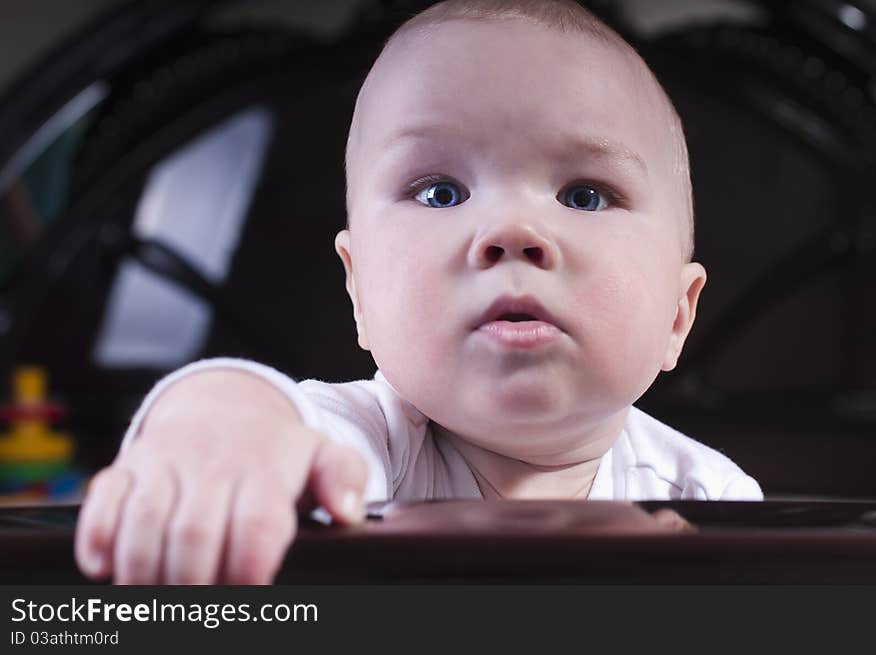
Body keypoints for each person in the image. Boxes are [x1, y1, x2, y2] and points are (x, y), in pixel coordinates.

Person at [75, 0, 762, 585]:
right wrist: (218, 429)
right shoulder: (366, 451)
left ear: (678, 314)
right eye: (440, 192)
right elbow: (273, 422)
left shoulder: (713, 499)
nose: (513, 231)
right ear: (359, 293)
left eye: (584, 195)